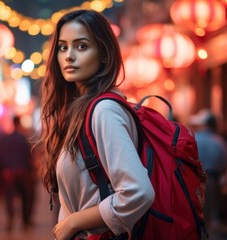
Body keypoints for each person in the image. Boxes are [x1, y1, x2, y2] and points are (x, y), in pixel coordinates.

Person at [38, 9, 154, 240]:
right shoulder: (81, 110)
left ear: (104, 53)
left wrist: (74, 222)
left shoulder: (104, 111)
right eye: (63, 47)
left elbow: (138, 193)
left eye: (81, 46)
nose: (69, 56)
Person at [189, 109, 227, 230]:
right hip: (212, 179)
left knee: (195, 213)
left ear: (203, 124)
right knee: (212, 215)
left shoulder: (193, 138)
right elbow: (224, 164)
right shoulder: (219, 142)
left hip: (193, 179)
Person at [0, 116, 34, 230]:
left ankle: (11, 214)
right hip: (22, 172)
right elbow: (29, 157)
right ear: (19, 123)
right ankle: (25, 220)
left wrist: (0, 171)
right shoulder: (24, 139)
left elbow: (0, 157)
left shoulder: (5, 139)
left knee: (9, 196)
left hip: (9, 173)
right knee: (26, 196)